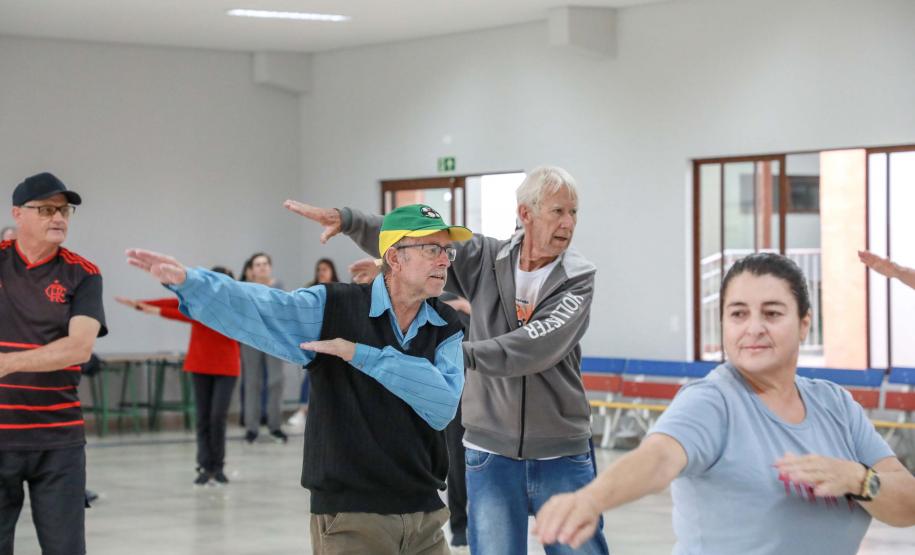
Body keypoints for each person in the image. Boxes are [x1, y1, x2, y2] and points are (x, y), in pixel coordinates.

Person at [284, 166, 609, 555]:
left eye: (574, 213)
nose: (568, 223)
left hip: (561, 453)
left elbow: (533, 346)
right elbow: (420, 243)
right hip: (489, 452)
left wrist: (454, 352)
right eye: (558, 211)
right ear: (526, 213)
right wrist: (353, 222)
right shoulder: (487, 258)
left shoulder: (578, 276)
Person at [124, 203, 470, 554]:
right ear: (394, 258)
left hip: (426, 515)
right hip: (353, 515)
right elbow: (264, 306)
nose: (444, 261)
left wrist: (360, 354)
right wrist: (192, 282)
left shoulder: (446, 325)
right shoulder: (333, 307)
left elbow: (442, 405)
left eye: (447, 251)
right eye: (432, 249)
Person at [535, 253, 915, 554]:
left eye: (772, 313)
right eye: (738, 314)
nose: (753, 328)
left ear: (804, 324)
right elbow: (659, 458)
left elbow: (906, 504)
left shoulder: (834, 404)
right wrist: (591, 499)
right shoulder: (712, 401)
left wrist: (858, 479)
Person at [0, 172, 107, 555]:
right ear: (17, 213)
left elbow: (79, 347)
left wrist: (8, 363)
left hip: (58, 440)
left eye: (64, 210)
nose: (58, 217)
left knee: (66, 548)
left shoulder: (84, 273)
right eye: (46, 209)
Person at [115, 266, 240, 486]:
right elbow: (172, 303)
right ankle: (204, 465)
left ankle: (217, 466)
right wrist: (140, 305)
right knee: (202, 418)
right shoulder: (198, 301)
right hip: (200, 365)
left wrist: (153, 311)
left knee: (217, 417)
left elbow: (183, 315)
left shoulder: (232, 306)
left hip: (226, 368)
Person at [238, 252, 287, 444]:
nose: (262, 267)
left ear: (270, 266)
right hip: (251, 338)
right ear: (252, 269)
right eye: (258, 264)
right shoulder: (246, 288)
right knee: (252, 382)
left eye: (265, 263)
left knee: (276, 381)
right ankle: (252, 428)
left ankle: (275, 426)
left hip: (274, 339)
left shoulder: (279, 286)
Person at [288, 258, 340, 428]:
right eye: (319, 269)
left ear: (332, 270)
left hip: (334, 339)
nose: (321, 272)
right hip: (314, 338)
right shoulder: (310, 289)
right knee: (310, 374)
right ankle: (303, 410)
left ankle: (331, 411)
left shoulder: (341, 290)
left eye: (325, 269)